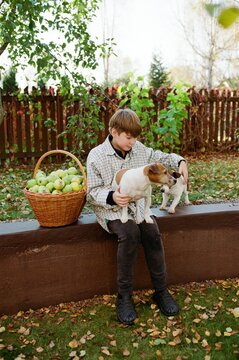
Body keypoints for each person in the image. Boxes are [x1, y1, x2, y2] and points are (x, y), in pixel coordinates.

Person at [86, 108, 188, 325]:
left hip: (140, 207)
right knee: (130, 232)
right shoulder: (96, 156)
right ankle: (124, 297)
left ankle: (160, 291)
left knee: (151, 231)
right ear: (114, 131)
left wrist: (180, 161)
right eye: (128, 137)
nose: (132, 142)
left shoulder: (140, 149)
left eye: (135, 138)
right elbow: (91, 192)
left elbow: (160, 157)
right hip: (111, 210)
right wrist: (112, 196)